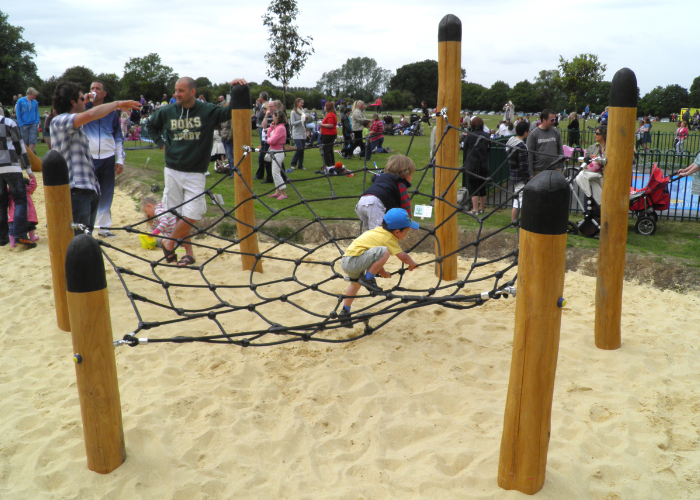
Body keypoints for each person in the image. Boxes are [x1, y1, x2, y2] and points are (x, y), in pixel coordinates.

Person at [146, 76, 248, 266]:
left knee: (192, 214)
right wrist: (161, 144)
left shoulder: (207, 110)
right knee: (177, 215)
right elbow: (151, 126)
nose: (176, 94)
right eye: (176, 90)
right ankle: (189, 254)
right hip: (172, 170)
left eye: (181, 91)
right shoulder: (167, 111)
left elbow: (229, 111)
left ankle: (169, 242)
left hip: (195, 172)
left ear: (192, 92)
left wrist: (234, 89)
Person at [51, 82, 140, 236]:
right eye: (81, 98)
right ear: (73, 102)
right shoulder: (60, 121)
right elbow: (91, 114)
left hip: (88, 188)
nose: (85, 101)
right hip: (76, 190)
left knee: (86, 238)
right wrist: (117, 104)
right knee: (79, 240)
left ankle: (104, 227)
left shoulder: (74, 121)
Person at [338, 208, 419, 327]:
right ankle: (368, 279)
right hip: (354, 261)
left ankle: (345, 311)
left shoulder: (378, 231)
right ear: (397, 232)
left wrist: (383, 272)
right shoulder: (388, 238)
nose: (406, 234)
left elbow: (375, 261)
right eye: (406, 231)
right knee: (384, 251)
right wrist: (412, 264)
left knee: (355, 285)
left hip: (348, 261)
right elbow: (403, 256)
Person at [82, 80, 126, 238]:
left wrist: (120, 160)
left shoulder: (112, 114)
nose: (94, 91)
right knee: (87, 192)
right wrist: (84, 103)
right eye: (92, 88)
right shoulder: (83, 111)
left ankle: (104, 227)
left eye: (98, 89)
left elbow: (119, 137)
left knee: (106, 193)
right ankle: (86, 225)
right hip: (88, 158)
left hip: (108, 157)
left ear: (104, 93)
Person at [0, 114, 36, 248]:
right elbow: (20, 147)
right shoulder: (9, 123)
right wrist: (28, 169)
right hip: (11, 166)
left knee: (1, 204)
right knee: (20, 201)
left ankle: (2, 238)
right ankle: (20, 235)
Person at [355, 154, 415, 232]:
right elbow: (405, 205)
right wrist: (408, 221)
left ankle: (365, 243)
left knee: (369, 233)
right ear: (406, 173)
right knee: (380, 233)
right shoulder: (400, 184)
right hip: (374, 204)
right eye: (411, 174)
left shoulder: (382, 177)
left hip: (362, 202)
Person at [462, 116, 491, 215]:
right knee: (482, 187)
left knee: (473, 186)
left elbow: (465, 147)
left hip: (472, 164)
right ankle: (481, 208)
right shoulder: (487, 135)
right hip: (483, 164)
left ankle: (475, 209)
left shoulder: (470, 136)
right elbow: (489, 148)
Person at [575, 125, 607, 207]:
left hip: (606, 174)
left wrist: (599, 159)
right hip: (594, 173)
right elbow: (586, 159)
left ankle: (592, 198)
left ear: (603, 135)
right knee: (581, 176)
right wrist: (590, 159)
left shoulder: (611, 148)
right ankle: (599, 202)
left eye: (597, 133)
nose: (594, 135)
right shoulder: (593, 147)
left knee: (581, 176)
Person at [526, 109, 564, 176]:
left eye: (555, 119)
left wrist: (561, 167)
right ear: (544, 120)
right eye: (552, 120)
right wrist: (531, 173)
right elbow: (530, 154)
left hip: (555, 170)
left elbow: (560, 150)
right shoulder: (534, 134)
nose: (554, 122)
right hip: (539, 171)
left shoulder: (556, 132)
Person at [506, 120, 530, 224]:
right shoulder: (520, 146)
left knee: (518, 198)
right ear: (525, 132)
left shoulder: (511, 142)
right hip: (520, 176)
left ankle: (515, 221)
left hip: (514, 174)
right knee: (519, 200)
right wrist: (528, 177)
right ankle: (514, 222)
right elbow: (523, 165)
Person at [141, 196, 177, 260]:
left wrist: (155, 233)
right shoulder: (160, 208)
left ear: (149, 206)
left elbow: (164, 223)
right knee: (159, 241)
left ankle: (171, 257)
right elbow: (155, 225)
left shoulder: (158, 211)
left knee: (159, 242)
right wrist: (150, 232)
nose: (147, 214)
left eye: (146, 211)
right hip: (176, 232)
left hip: (174, 234)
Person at [7, 176, 40, 247]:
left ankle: (12, 243)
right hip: (28, 215)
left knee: (12, 229)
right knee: (30, 226)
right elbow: (33, 185)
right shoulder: (27, 191)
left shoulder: (11, 192)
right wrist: (32, 177)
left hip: (13, 216)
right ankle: (32, 238)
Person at [267, 110, 289, 200]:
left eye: (274, 116)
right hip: (273, 151)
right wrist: (271, 127)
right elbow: (269, 135)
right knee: (274, 172)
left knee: (276, 173)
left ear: (278, 117)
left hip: (278, 152)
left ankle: (283, 193)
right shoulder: (277, 127)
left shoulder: (280, 128)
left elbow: (272, 141)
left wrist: (268, 140)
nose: (273, 118)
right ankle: (277, 192)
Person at [15, 88, 41, 154]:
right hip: (24, 123)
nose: (35, 97)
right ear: (29, 94)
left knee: (33, 140)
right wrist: (20, 123)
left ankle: (31, 155)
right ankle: (25, 155)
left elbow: (36, 112)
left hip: (33, 123)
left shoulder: (35, 102)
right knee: (24, 140)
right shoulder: (20, 101)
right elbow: (18, 112)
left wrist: (37, 121)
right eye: (34, 95)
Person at [289, 98, 307, 171]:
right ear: (297, 103)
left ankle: (300, 165)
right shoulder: (293, 112)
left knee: (302, 150)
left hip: (303, 133)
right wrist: (301, 120)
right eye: (301, 103)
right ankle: (293, 163)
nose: (302, 104)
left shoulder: (302, 112)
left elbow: (304, 123)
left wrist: (306, 119)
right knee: (299, 149)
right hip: (297, 133)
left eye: (303, 103)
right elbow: (292, 123)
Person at [319, 101, 337, 170]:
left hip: (328, 134)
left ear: (328, 107)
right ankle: (331, 164)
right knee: (329, 149)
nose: (324, 107)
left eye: (325, 106)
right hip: (329, 134)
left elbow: (331, 125)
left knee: (326, 150)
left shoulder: (330, 115)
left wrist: (322, 125)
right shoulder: (330, 114)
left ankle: (328, 165)